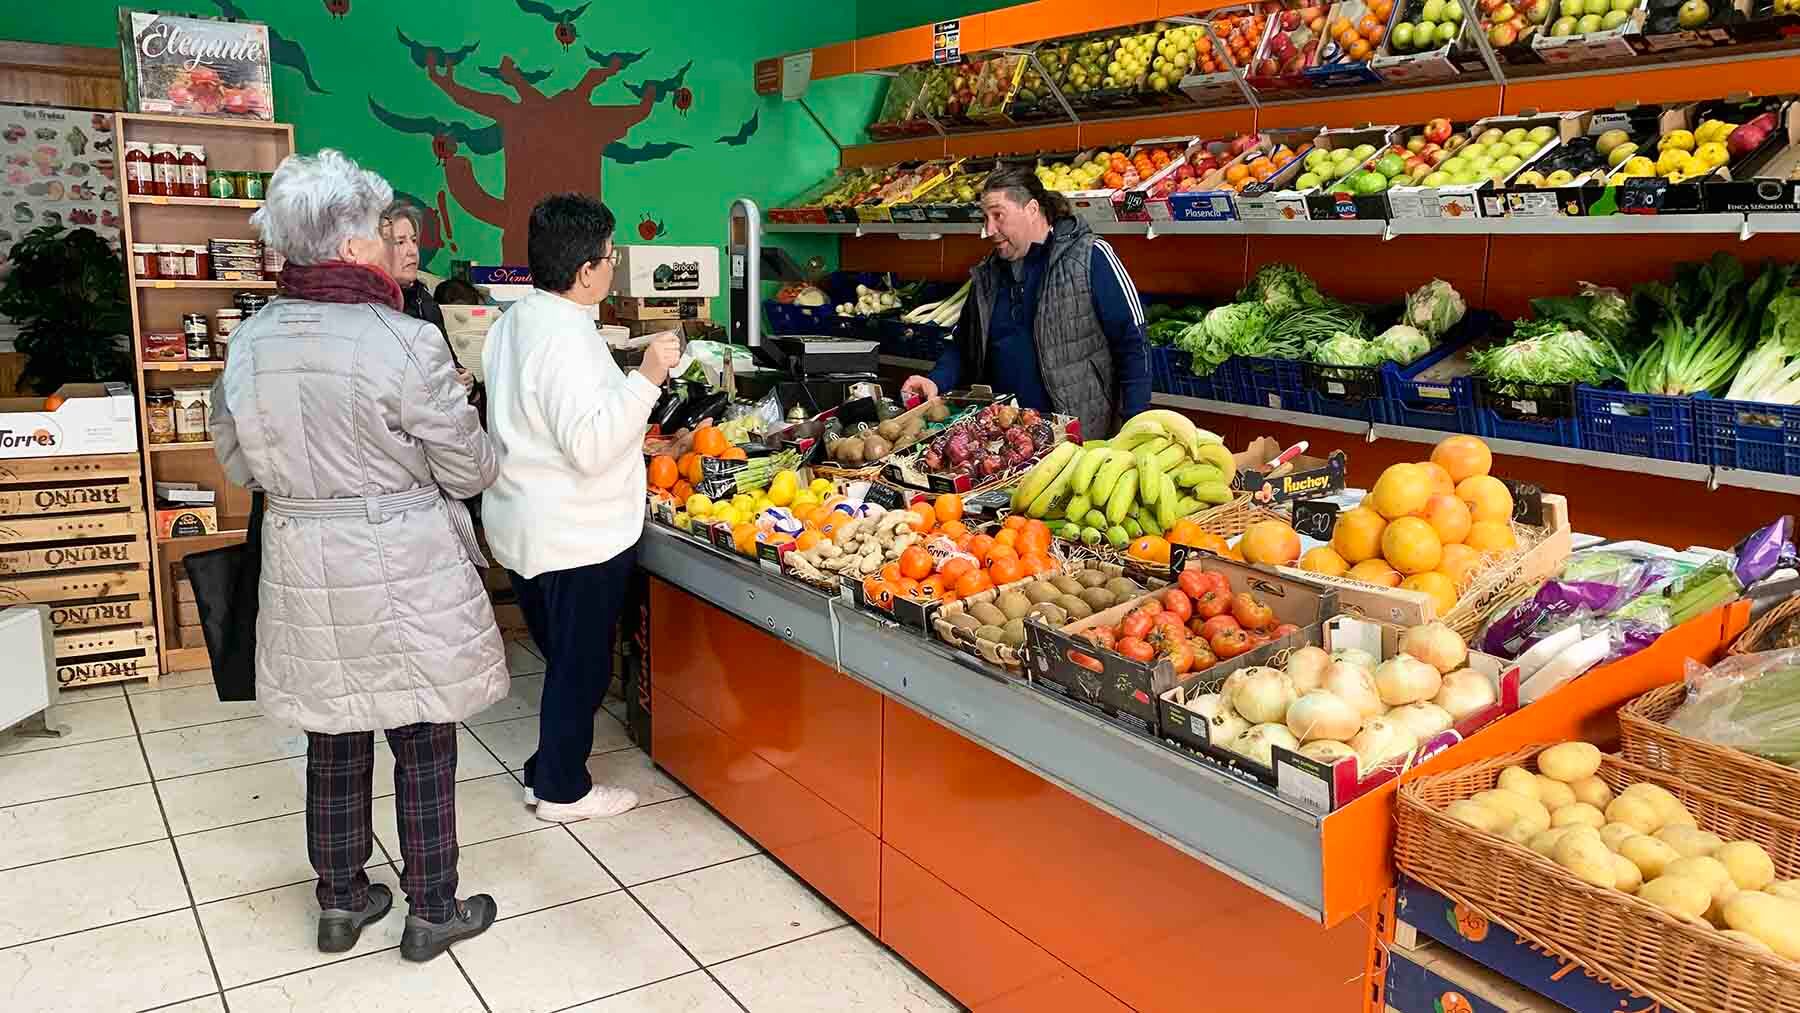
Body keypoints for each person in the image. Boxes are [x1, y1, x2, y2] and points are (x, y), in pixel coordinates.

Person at [211, 149, 504, 963]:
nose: (388, 241)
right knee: (423, 736)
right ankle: (433, 908)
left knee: (333, 733)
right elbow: (469, 468)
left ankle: (340, 900)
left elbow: (235, 460)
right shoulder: (405, 341)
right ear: (349, 246)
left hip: (302, 557)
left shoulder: (250, 341)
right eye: (380, 229)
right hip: (404, 561)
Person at [480, 193, 682, 823]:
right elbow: (592, 447)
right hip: (575, 533)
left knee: (565, 658)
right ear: (587, 269)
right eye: (610, 255)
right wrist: (647, 377)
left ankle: (546, 770)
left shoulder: (515, 320)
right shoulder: (564, 339)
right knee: (582, 667)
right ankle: (563, 790)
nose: (614, 264)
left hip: (525, 521)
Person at [901, 163, 1152, 440]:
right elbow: (964, 344)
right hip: (1006, 439)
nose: (988, 229)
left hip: (1077, 438)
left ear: (1032, 209)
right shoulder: (988, 273)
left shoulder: (1090, 256)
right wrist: (935, 380)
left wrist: (1133, 424)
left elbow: (1133, 344)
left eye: (998, 215)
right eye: (985, 217)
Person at [382, 201, 476, 396]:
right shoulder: (369, 305)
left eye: (413, 240)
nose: (412, 251)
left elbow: (449, 363)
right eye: (400, 242)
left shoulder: (424, 300)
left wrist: (467, 381)